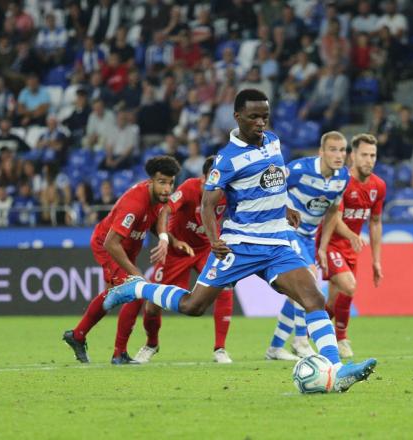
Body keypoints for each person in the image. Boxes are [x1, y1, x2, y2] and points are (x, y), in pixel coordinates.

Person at [103, 89, 376, 392]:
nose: (261, 122)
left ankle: (337, 370)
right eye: (254, 117)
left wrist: (283, 206)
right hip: (240, 244)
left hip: (276, 244)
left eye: (264, 116)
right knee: (194, 305)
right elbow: (208, 204)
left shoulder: (273, 141)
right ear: (237, 117)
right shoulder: (227, 160)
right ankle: (136, 287)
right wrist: (213, 238)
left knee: (314, 299)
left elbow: (273, 179)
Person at [113, 156, 235, 364]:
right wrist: (167, 239)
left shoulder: (228, 192)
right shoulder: (188, 188)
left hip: (206, 248)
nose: (214, 186)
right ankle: (152, 344)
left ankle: (220, 348)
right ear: (202, 177)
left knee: (225, 286)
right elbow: (165, 210)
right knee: (153, 305)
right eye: (210, 181)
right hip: (177, 251)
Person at [62, 156, 181, 364]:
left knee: (113, 295)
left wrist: (165, 238)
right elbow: (111, 243)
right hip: (108, 246)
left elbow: (161, 215)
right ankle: (119, 354)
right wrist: (136, 275)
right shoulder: (135, 203)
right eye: (162, 182)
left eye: (171, 182)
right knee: (136, 290)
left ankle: (78, 335)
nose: (167, 188)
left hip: (127, 247)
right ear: (150, 181)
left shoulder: (159, 198)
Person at [266, 131, 350, 361]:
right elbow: (272, 187)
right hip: (286, 229)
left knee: (296, 292)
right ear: (321, 152)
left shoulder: (343, 177)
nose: (339, 155)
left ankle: (275, 348)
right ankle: (301, 341)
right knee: (308, 281)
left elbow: (333, 211)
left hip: (309, 238)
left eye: (342, 150)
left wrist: (322, 247)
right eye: (333, 149)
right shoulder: (300, 169)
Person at [317, 133, 386, 359]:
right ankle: (342, 339)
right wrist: (352, 236)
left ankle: (309, 334)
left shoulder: (378, 186)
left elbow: (375, 222)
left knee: (335, 301)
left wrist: (376, 260)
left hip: (350, 248)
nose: (369, 160)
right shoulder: (342, 181)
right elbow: (334, 218)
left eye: (373, 155)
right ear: (353, 156)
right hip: (331, 242)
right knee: (349, 286)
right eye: (364, 155)